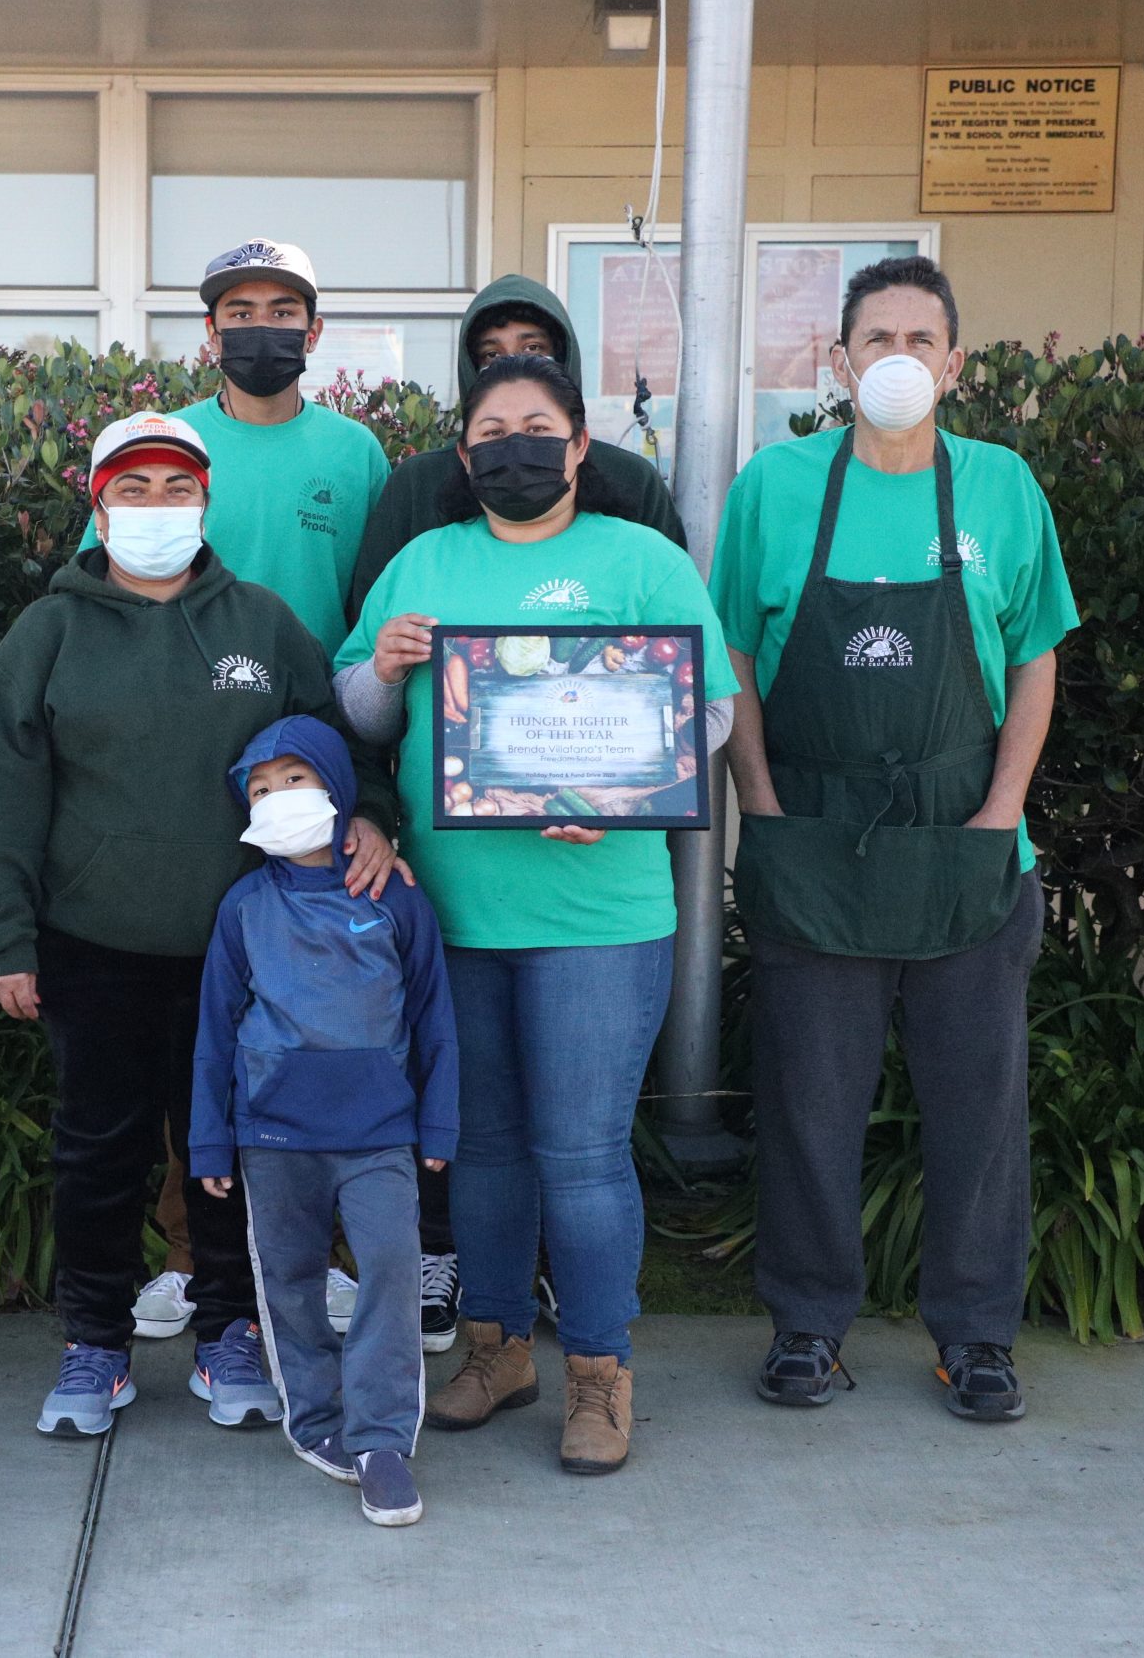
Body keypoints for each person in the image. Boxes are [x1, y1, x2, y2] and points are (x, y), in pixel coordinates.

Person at [0, 410, 404, 1437]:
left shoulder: (260, 622)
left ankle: (228, 1333)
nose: (156, 507)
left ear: (204, 501)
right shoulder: (48, 634)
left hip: (245, 945)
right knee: (97, 1151)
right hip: (92, 942)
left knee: (234, 1147)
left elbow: (337, 746)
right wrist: (2, 941)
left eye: (175, 488)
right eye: (133, 489)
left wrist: (372, 815)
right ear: (98, 505)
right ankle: (94, 1346)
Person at [336, 355, 739, 1475]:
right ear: (465, 457)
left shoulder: (639, 558)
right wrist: (382, 661)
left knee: (582, 1154)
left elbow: (709, 709)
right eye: (491, 429)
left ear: (575, 450)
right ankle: (496, 1348)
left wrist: (619, 792)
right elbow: (360, 713)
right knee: (485, 1152)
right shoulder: (425, 560)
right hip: (458, 913)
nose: (514, 445)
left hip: (598, 916)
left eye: (538, 426)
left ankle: (600, 1375)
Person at [711, 255, 1078, 1422]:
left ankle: (976, 1338)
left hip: (968, 850)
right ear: (839, 361)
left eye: (923, 340)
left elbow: (1034, 660)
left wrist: (999, 815)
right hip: (812, 843)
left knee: (979, 1108)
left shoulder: (1004, 488)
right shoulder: (773, 487)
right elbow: (730, 661)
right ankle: (807, 1326)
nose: (899, 361)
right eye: (877, 339)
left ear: (954, 364)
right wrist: (759, 804)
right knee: (809, 1104)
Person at [190, 714, 459, 1528]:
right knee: (291, 1285)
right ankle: (314, 1421)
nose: (276, 798)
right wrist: (212, 1135)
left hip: (380, 1131)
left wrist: (438, 1125)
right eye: (260, 788)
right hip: (272, 1137)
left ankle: (380, 1440)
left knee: (388, 1270)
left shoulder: (394, 898)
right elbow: (214, 1028)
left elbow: (435, 1018)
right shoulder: (242, 907)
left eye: (294, 780)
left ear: (338, 788)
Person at [82, 238, 388, 656]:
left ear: (312, 333)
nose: (261, 327)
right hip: (187, 694)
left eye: (282, 312)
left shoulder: (357, 452)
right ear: (213, 334)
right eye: (241, 313)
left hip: (317, 703)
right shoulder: (164, 443)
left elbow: (378, 599)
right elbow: (97, 583)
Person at [345, 272, 687, 618]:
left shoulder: (630, 480)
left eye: (534, 349)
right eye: (492, 354)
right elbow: (369, 620)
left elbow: (674, 621)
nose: (512, 364)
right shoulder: (419, 483)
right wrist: (384, 667)